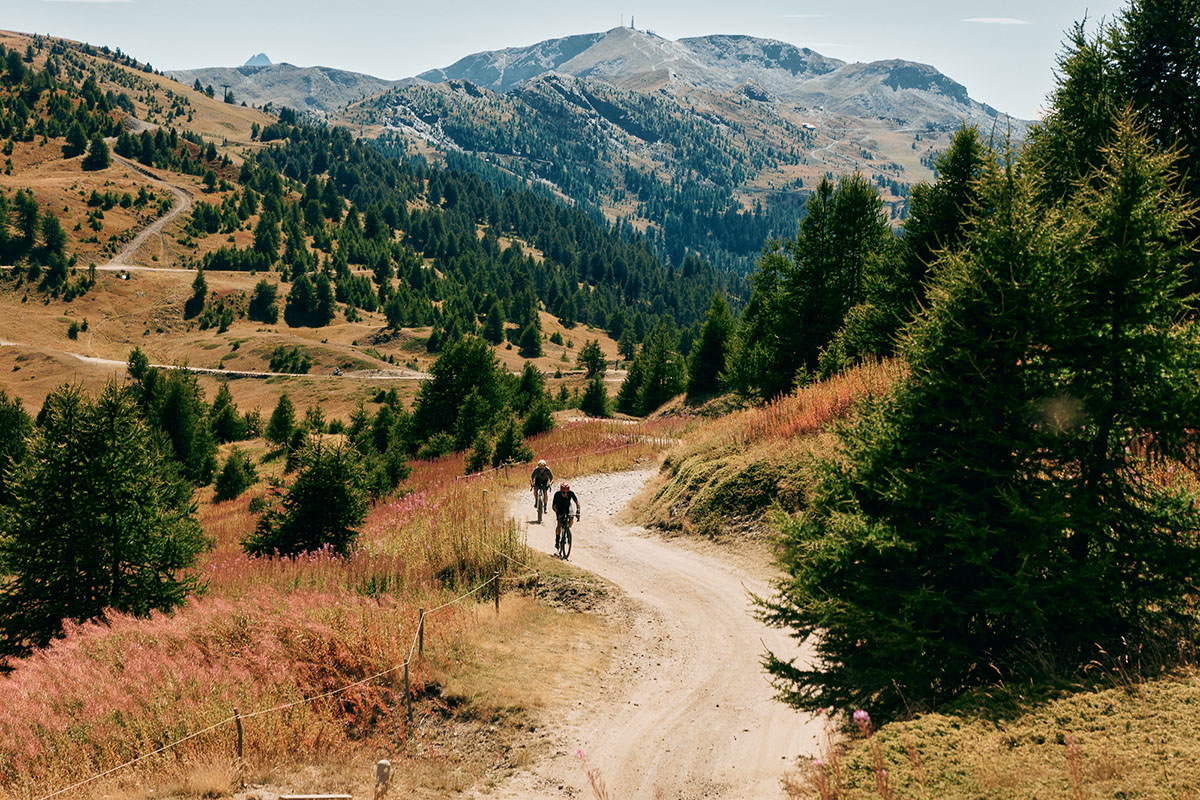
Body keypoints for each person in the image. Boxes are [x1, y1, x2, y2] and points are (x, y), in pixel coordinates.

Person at [552, 482, 580, 551]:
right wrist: (557, 512)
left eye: (566, 493)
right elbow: (554, 506)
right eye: (563, 492)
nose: (565, 494)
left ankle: (568, 530)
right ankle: (557, 539)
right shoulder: (557, 494)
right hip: (559, 508)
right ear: (560, 491)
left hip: (567, 507)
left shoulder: (571, 493)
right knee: (559, 523)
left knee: (571, 516)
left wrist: (578, 511)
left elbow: (577, 502)